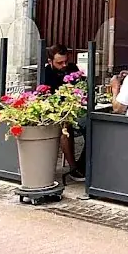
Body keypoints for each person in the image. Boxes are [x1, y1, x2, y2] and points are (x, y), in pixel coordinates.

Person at [42, 45, 85, 180]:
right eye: (60, 63)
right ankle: (73, 168)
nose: (64, 65)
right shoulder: (45, 73)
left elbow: (82, 86)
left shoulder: (72, 68)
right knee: (65, 127)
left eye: (66, 61)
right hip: (55, 111)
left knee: (93, 127)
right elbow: (45, 97)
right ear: (50, 61)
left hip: (76, 108)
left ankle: (84, 163)